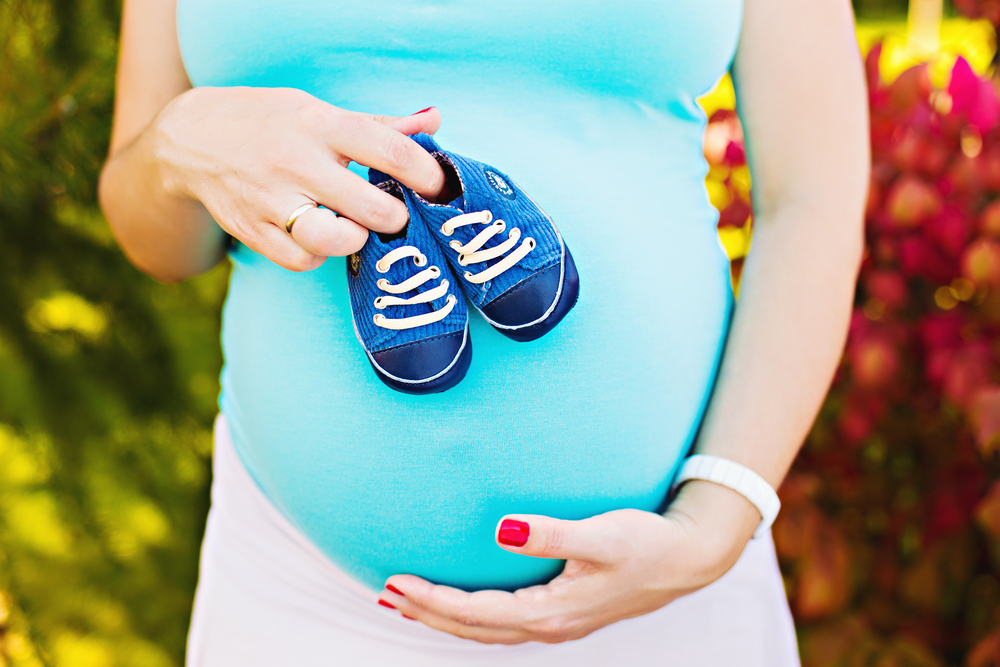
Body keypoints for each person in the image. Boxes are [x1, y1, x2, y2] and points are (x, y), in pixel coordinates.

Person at [98, 0, 869, 663]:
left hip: (664, 593)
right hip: (300, 595)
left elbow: (815, 200)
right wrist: (179, 141)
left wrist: (714, 521)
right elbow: (160, 243)